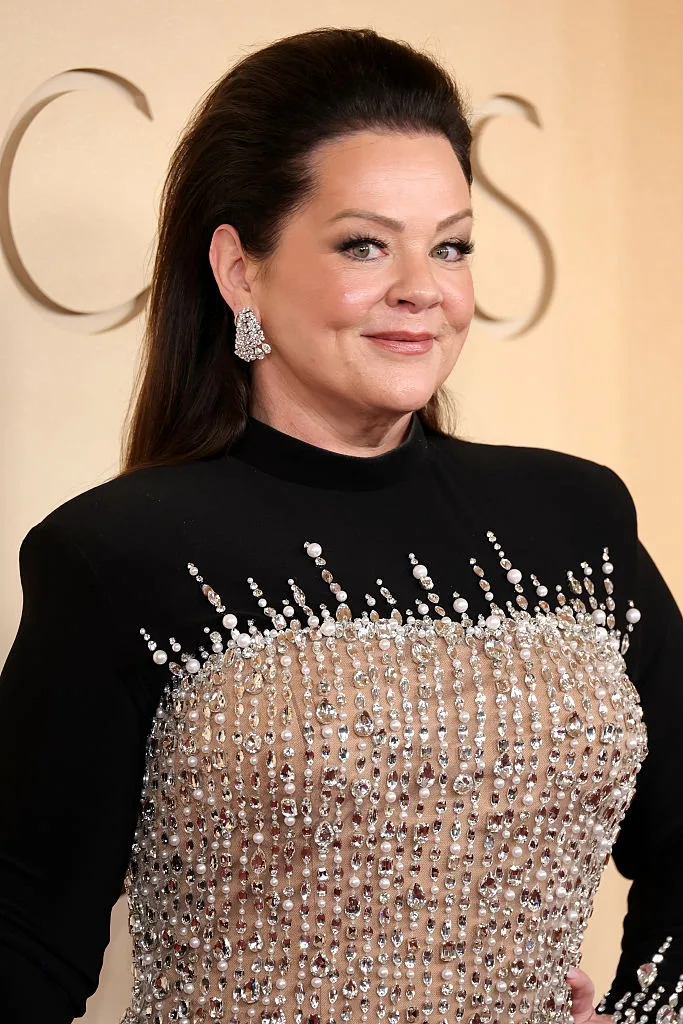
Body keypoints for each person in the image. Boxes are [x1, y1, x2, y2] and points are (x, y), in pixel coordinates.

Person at [0, 25, 681, 1024]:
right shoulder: (118, 554)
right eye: (364, 243)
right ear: (240, 271)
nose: (423, 288)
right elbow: (22, 928)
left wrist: (644, 1014)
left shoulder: (573, 518)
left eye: (449, 245)